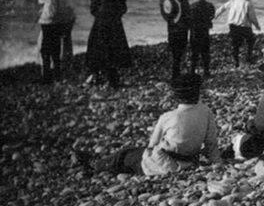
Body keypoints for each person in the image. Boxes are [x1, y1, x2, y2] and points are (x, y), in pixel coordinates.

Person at [93, 73, 221, 175]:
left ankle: (96, 165)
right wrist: (217, 162)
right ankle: (100, 163)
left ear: (176, 96)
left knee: (125, 155)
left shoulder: (167, 117)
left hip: (165, 164)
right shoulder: (206, 112)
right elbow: (211, 143)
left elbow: (152, 145)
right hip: (190, 161)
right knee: (131, 153)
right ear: (198, 93)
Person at [85, 0, 131, 88]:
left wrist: (102, 14)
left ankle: (98, 76)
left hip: (100, 24)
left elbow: (93, 10)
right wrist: (115, 15)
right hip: (115, 24)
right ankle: (112, 79)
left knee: (98, 50)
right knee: (113, 51)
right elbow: (123, 8)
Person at [34, 0, 76, 83]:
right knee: (52, 53)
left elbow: (51, 15)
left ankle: (48, 76)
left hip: (50, 27)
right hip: (52, 27)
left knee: (48, 52)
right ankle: (53, 75)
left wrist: (42, 17)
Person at [214, 0, 261, 67]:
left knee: (235, 44)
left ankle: (236, 61)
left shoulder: (233, 1)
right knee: (250, 40)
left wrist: (215, 15)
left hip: (233, 26)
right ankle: (248, 57)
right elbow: (252, 17)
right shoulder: (248, 3)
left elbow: (222, 8)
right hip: (245, 26)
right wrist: (256, 25)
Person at [160, 0, 191, 81]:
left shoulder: (169, 0)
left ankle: (175, 73)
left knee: (174, 53)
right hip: (181, 30)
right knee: (179, 53)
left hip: (171, 29)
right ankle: (175, 74)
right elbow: (187, 15)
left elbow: (166, 14)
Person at [188, 0, 216, 77]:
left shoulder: (191, 6)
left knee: (194, 54)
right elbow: (212, 16)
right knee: (205, 53)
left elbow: (188, 20)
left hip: (194, 32)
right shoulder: (210, 6)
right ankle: (206, 72)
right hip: (204, 31)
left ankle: (192, 71)